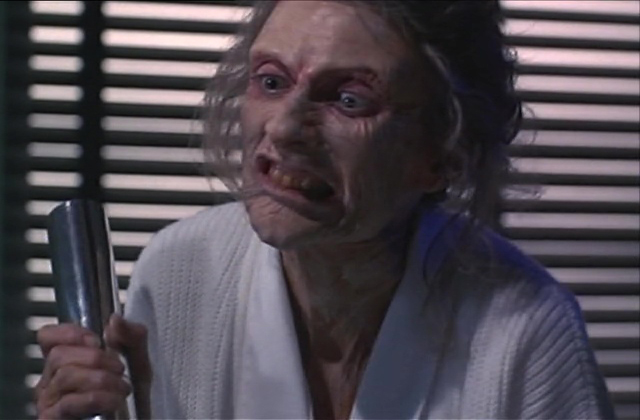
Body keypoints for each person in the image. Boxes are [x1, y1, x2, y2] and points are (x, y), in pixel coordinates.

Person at [35, 1, 616, 419]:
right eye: (271, 82)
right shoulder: (180, 271)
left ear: (443, 154)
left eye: (349, 99)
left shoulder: (527, 332)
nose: (285, 129)